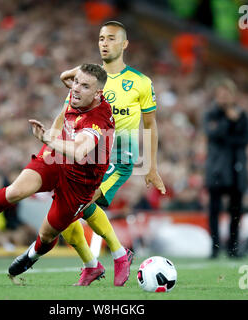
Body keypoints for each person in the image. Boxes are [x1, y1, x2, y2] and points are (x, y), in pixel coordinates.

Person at [0, 63, 115, 285]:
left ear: (98, 94)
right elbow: (67, 89)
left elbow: (79, 151)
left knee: (47, 234)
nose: (75, 88)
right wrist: (75, 77)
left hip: (80, 181)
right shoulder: (79, 94)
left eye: (84, 86)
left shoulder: (97, 119)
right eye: (76, 82)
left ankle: (31, 255)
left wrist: (48, 139)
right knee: (15, 190)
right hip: (56, 157)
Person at [58, 21, 166, 285]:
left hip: (118, 158)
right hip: (86, 157)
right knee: (63, 210)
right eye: (101, 38)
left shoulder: (140, 82)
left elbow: (150, 124)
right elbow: (68, 113)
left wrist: (151, 167)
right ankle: (94, 263)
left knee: (77, 205)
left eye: (111, 39)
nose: (104, 43)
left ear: (124, 44)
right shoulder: (89, 80)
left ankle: (116, 256)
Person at [203, 78, 248, 258]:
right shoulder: (211, 114)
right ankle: (214, 248)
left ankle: (233, 247)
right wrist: (229, 122)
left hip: (236, 169)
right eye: (221, 93)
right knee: (214, 211)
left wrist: (232, 124)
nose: (223, 97)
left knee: (236, 212)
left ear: (233, 95)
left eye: (227, 93)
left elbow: (245, 140)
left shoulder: (242, 116)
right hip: (216, 169)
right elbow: (213, 134)